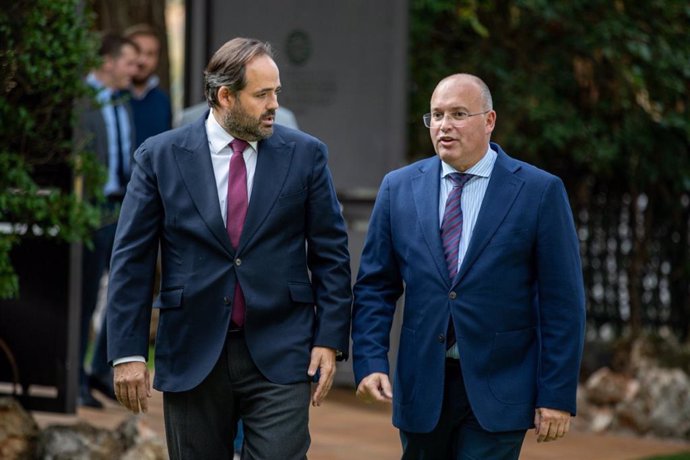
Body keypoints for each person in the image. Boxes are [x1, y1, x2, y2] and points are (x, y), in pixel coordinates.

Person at [106, 37, 352, 460]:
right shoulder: (159, 157)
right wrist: (128, 352)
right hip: (192, 349)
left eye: (276, 91)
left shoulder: (306, 155)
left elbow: (331, 254)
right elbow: (132, 260)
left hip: (281, 348)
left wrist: (328, 339)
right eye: (262, 94)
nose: (274, 103)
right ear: (225, 96)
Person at [350, 73, 586, 459]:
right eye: (436, 115)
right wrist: (371, 360)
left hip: (501, 388)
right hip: (422, 388)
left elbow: (564, 303)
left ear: (489, 120)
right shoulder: (398, 188)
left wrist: (556, 394)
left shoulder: (539, 192)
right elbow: (375, 286)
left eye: (459, 114)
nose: (445, 125)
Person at [74, 33, 139, 409]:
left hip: (122, 210)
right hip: (90, 211)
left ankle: (101, 369)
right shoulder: (79, 101)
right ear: (109, 61)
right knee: (83, 297)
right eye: (128, 62)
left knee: (125, 293)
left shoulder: (121, 101)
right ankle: (76, 377)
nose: (134, 70)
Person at [123, 23, 172, 147]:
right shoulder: (110, 97)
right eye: (137, 52)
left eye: (150, 54)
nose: (142, 60)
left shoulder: (162, 101)